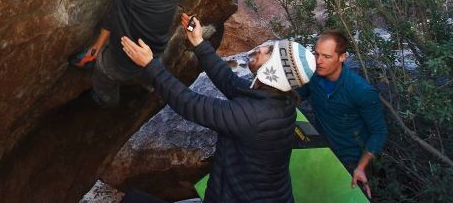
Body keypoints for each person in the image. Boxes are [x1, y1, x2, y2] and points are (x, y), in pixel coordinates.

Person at [121, 14, 317, 203]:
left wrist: (150, 64)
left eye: (269, 53)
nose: (262, 49)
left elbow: (191, 104)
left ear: (276, 70)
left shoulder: (255, 115)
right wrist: (198, 42)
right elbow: (228, 81)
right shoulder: (276, 99)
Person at [298, 30, 387, 199]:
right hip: (321, 155)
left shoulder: (361, 91)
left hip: (352, 162)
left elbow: (379, 133)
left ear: (342, 57)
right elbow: (294, 99)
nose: (318, 61)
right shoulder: (313, 77)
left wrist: (361, 166)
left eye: (326, 56)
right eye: (316, 54)